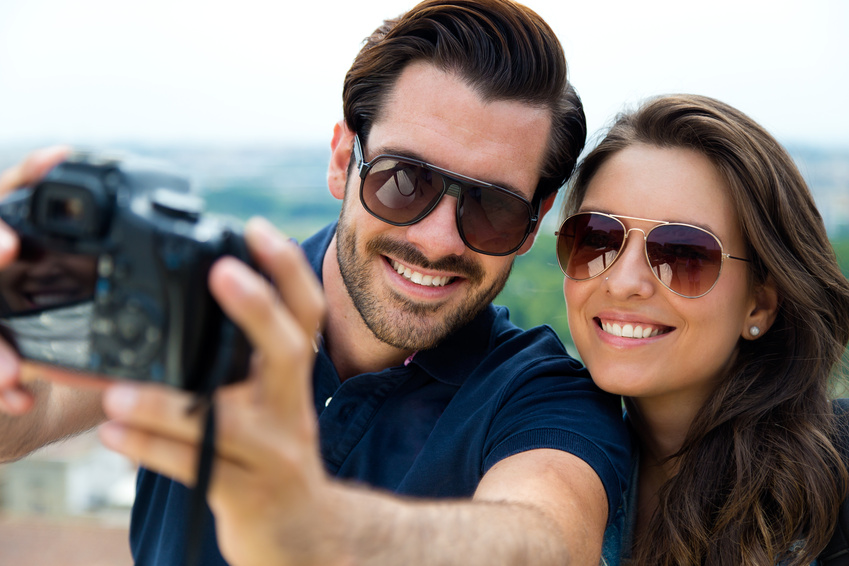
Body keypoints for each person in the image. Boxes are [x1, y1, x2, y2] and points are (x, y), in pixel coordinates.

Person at [0, 1, 631, 564]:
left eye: (492, 209)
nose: (438, 240)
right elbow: (30, 414)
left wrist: (318, 530)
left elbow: (546, 540)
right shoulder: (208, 297)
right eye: (404, 180)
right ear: (341, 161)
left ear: (532, 225)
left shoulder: (541, 396)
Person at [555, 93, 849, 565]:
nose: (624, 282)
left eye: (684, 254)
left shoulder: (837, 475)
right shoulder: (551, 457)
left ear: (761, 305)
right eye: (597, 239)